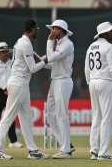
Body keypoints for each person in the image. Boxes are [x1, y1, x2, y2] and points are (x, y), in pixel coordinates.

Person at [0, 19, 48, 160]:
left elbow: (35, 62)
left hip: (22, 84)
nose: (37, 32)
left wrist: (46, 59)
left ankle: (32, 150)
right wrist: (45, 61)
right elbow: (33, 68)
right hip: (18, 83)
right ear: (32, 29)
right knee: (8, 116)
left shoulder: (22, 42)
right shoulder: (25, 44)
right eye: (36, 30)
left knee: (26, 118)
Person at [84, 21, 112, 161]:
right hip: (106, 82)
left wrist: (90, 82)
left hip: (93, 82)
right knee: (107, 118)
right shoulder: (109, 47)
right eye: (111, 31)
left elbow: (86, 69)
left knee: (96, 117)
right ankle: (104, 152)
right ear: (105, 33)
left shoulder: (91, 46)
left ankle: (94, 150)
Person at [44, 19, 75, 159]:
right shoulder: (58, 44)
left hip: (63, 81)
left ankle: (66, 149)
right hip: (55, 80)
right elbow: (51, 63)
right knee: (50, 115)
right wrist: (39, 61)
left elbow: (51, 58)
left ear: (61, 30)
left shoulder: (68, 44)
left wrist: (49, 42)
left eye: (54, 29)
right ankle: (66, 143)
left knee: (61, 114)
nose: (52, 31)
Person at [0, 42, 23, 149]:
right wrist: (5, 88)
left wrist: (11, 88)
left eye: (7, 52)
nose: (6, 54)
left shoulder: (12, 63)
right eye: (3, 52)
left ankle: (13, 141)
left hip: (11, 92)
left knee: (11, 116)